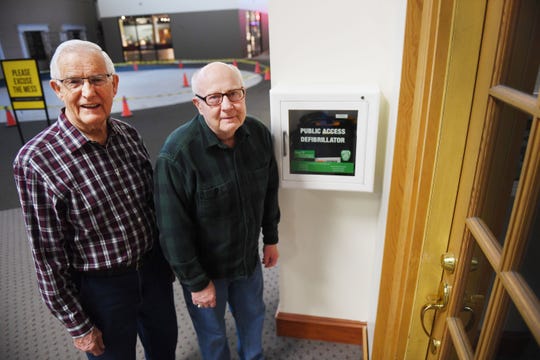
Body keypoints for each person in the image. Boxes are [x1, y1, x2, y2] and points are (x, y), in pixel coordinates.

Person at [12, 40, 177, 359]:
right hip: (102, 291)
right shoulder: (35, 161)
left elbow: (150, 208)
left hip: (153, 273)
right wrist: (78, 325)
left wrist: (165, 266)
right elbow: (47, 256)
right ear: (57, 89)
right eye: (74, 81)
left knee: (164, 350)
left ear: (114, 84)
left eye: (97, 79)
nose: (88, 92)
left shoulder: (128, 136)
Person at [154, 61, 280, 360]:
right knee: (212, 335)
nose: (227, 106)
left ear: (244, 95)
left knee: (253, 318)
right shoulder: (177, 155)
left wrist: (271, 237)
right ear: (198, 104)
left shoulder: (259, 136)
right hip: (206, 272)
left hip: (247, 261)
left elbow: (269, 191)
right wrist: (197, 283)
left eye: (234, 94)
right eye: (214, 97)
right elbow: (173, 233)